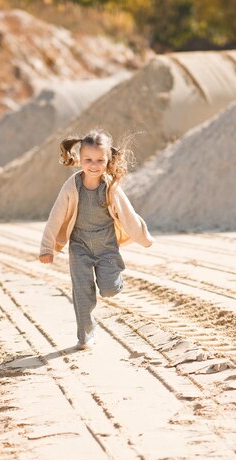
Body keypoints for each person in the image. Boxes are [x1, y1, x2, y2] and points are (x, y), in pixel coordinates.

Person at [39, 129, 154, 350]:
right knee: (82, 294)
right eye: (88, 159)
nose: (94, 164)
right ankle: (86, 335)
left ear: (108, 159)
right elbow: (56, 216)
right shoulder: (72, 186)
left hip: (107, 247)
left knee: (109, 289)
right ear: (79, 159)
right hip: (79, 246)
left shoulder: (110, 186)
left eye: (100, 160)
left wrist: (143, 237)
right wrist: (47, 247)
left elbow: (128, 214)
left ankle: (116, 279)